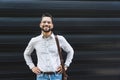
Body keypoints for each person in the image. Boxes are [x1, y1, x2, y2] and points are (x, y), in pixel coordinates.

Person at [23, 13, 74, 80]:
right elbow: (26, 54)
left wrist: (65, 66)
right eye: (44, 22)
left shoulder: (60, 39)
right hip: (41, 76)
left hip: (56, 76)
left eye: (49, 22)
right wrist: (32, 67)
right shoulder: (34, 40)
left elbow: (70, 51)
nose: (46, 24)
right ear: (40, 24)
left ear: (52, 25)